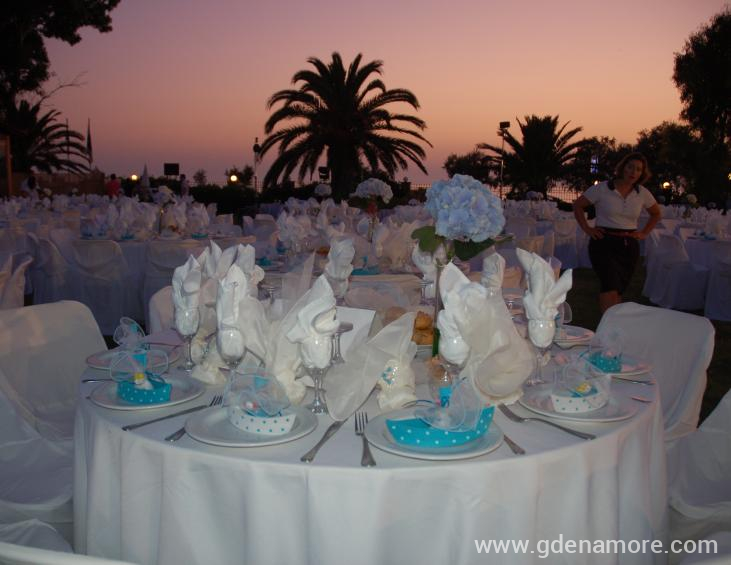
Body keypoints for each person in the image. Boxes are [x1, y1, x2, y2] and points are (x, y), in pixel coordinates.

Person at [573, 152, 661, 313]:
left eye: (638, 169)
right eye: (630, 167)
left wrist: (643, 233)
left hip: (629, 246)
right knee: (609, 286)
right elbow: (578, 205)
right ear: (622, 168)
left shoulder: (642, 193)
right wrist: (587, 228)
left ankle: (613, 323)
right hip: (603, 242)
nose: (633, 172)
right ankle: (608, 324)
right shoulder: (602, 188)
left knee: (618, 288)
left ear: (642, 173)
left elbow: (656, 213)